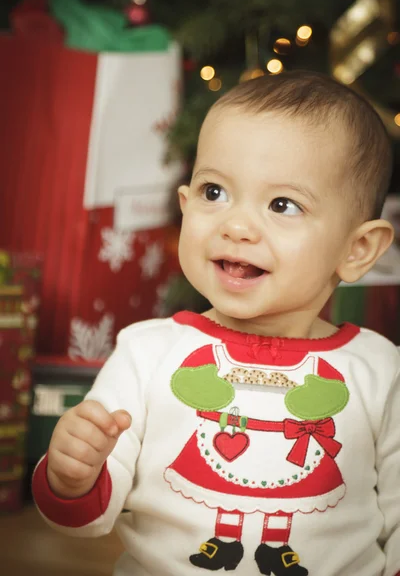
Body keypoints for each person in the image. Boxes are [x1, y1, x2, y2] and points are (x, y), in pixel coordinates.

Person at [32, 70, 400, 576]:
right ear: (185, 206)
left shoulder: (380, 371)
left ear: (357, 249)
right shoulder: (147, 354)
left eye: (282, 205)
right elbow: (86, 520)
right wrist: (71, 476)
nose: (237, 225)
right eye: (214, 193)